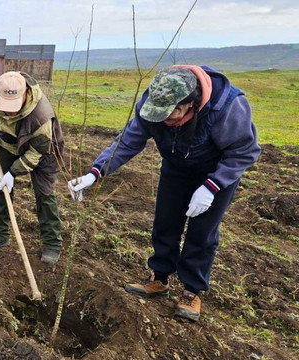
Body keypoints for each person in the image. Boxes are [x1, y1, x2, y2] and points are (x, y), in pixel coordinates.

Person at [68, 65, 261, 321]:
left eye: (171, 115)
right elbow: (127, 141)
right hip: (176, 167)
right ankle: (159, 279)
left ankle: (192, 291)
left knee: (202, 232)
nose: (165, 121)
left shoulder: (226, 106)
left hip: (215, 173)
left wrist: (212, 186)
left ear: (190, 105)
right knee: (165, 223)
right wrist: (96, 172)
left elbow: (244, 151)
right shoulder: (153, 105)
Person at [0, 71, 65, 264]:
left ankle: (52, 244)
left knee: (44, 194)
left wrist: (13, 172)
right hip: (8, 143)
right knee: (2, 189)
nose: (9, 112)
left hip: (42, 150)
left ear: (25, 93)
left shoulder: (41, 116)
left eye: (14, 106)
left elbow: (36, 153)